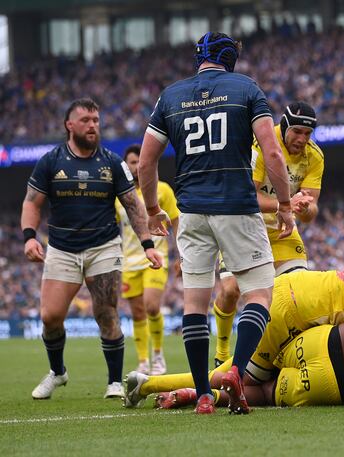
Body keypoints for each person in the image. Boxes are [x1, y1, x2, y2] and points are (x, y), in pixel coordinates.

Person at [137, 32, 293, 414]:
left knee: (195, 302)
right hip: (236, 205)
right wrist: (285, 204)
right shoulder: (246, 88)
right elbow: (271, 149)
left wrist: (154, 208)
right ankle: (236, 371)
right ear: (229, 57)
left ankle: (204, 394)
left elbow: (145, 162)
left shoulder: (170, 96)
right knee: (257, 294)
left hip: (191, 211)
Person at [22, 98, 162, 400]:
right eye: (85, 120)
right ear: (68, 125)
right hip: (62, 248)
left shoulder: (112, 162)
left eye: (96, 120)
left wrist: (148, 245)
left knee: (106, 313)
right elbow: (32, 202)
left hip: (103, 247)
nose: (92, 125)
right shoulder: (50, 160)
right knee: (50, 317)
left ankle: (113, 381)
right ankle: (57, 372)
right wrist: (29, 237)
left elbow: (133, 206)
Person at [123, 269, 344, 409]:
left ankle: (158, 386)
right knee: (240, 377)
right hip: (287, 315)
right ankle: (150, 385)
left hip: (287, 290)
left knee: (241, 374)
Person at [212, 101, 324, 366]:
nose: (302, 139)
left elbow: (311, 211)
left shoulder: (315, 156)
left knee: (296, 293)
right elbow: (248, 195)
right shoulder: (260, 144)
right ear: (284, 125)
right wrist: (286, 204)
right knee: (230, 290)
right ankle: (222, 353)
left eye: (308, 134)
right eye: (297, 131)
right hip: (244, 225)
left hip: (282, 230)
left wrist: (305, 208)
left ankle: (278, 357)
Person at [138, 321, 344, 409]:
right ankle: (198, 395)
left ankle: (150, 384)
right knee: (265, 393)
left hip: (322, 339)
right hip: (341, 381)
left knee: (236, 373)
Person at [115, 144, 180, 375]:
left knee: (152, 306)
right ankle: (143, 361)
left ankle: (158, 355)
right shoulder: (119, 196)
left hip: (156, 257)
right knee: (137, 313)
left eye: (139, 161)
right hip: (128, 262)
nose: (136, 166)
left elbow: (176, 222)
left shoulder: (162, 190)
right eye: (131, 162)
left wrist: (180, 256)